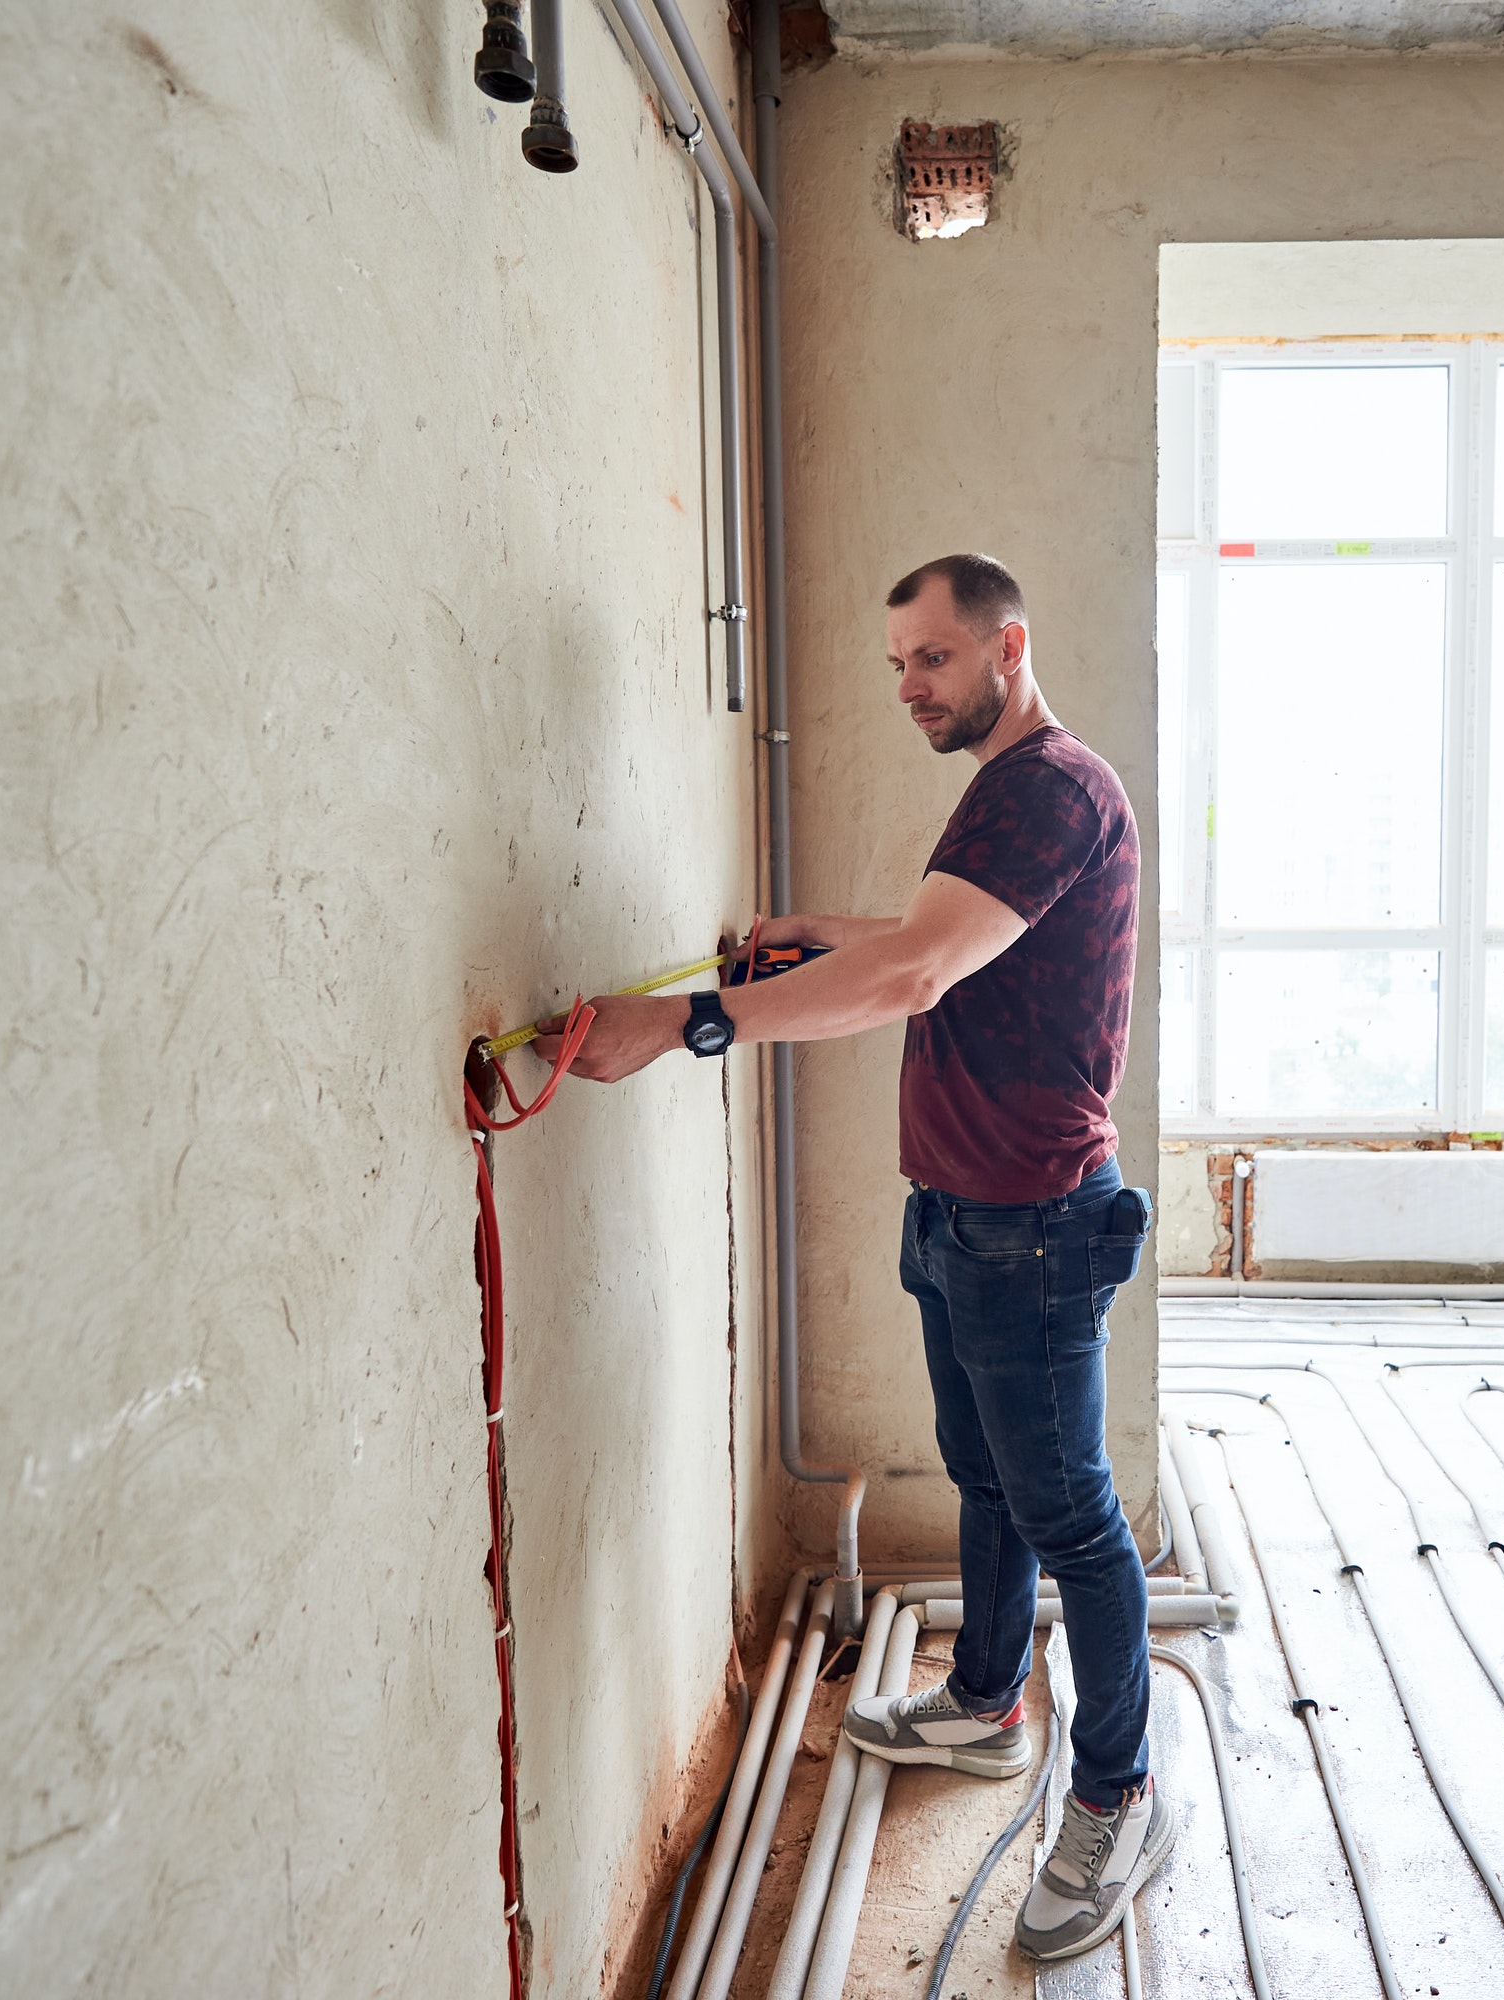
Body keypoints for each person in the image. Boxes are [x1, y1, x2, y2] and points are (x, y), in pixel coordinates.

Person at [533, 551, 1167, 1962]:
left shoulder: (1053, 786)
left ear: (1010, 645)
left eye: (930, 660)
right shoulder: (1007, 791)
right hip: (957, 1211)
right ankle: (989, 1703)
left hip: (1035, 1226)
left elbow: (917, 974)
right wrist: (837, 933)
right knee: (990, 1474)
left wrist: (693, 1023)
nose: (908, 687)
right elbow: (942, 943)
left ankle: (1121, 1795)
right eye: (896, 664)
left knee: (1073, 1517)